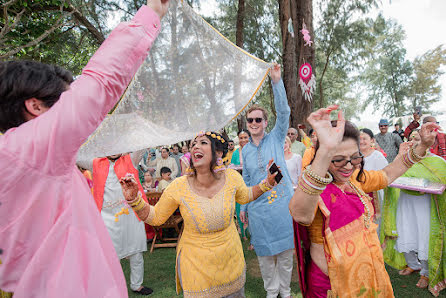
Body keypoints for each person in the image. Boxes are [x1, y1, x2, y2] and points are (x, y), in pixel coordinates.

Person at [0, 1, 169, 296]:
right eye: (64, 102)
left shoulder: (29, 162)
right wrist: (152, 12)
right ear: (36, 106)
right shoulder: (30, 150)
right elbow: (100, 83)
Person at [288, 105, 438, 297]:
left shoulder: (354, 180)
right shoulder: (315, 187)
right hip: (333, 284)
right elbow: (300, 213)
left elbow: (387, 174)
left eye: (355, 157)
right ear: (324, 157)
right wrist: (325, 149)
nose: (348, 166)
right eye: (338, 159)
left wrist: (423, 146)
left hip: (367, 278)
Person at [119, 131, 278, 297]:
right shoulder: (179, 186)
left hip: (231, 260)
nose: (195, 146)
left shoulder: (231, 177)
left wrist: (267, 183)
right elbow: (156, 217)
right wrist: (135, 201)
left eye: (203, 142)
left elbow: (245, 195)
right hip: (195, 265)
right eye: (193, 143)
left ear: (218, 152)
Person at [240, 64, 295, 298]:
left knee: (284, 257)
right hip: (259, 210)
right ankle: (272, 293)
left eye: (258, 120)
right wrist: (243, 206)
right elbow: (247, 179)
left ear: (265, 122)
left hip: (283, 207)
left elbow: (284, 113)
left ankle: (286, 292)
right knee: (264, 258)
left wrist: (276, 81)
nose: (254, 123)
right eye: (250, 120)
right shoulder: (245, 151)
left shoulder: (276, 137)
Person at [380, 129, 446, 295]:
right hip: (405, 201)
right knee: (405, 232)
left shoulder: (437, 161)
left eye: (418, 138)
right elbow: (390, 175)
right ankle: (413, 264)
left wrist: (430, 188)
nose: (414, 141)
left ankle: (425, 272)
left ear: (429, 141)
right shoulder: (403, 160)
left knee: (423, 235)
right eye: (411, 138)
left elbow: (442, 182)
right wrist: (399, 157)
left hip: (425, 204)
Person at [92, 152, 151, 295]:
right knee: (109, 254)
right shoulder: (94, 162)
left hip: (131, 213)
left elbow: (143, 145)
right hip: (106, 216)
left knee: (136, 252)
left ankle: (137, 285)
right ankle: (112, 287)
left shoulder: (131, 158)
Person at [359, 128, 388, 233]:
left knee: (373, 225)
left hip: (373, 196)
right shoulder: (354, 155)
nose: (361, 141)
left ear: (372, 140)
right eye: (359, 139)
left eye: (364, 139)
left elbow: (385, 175)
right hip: (357, 195)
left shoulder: (377, 156)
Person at [230, 129, 251, 241]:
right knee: (240, 207)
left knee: (252, 209)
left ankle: (254, 235)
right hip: (239, 183)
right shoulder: (235, 153)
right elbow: (232, 168)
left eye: (245, 137)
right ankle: (243, 234)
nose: (243, 140)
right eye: (241, 138)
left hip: (253, 183)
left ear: (250, 137)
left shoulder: (254, 150)